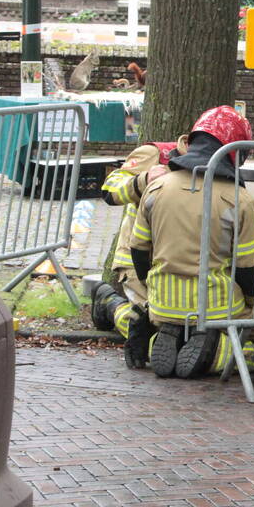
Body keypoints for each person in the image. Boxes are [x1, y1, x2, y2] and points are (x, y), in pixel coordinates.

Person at [129, 106, 254, 379]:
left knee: (169, 314)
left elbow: (138, 250)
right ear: (234, 150)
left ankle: (166, 335)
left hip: (162, 302)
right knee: (250, 336)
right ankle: (216, 347)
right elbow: (248, 269)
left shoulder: (156, 188)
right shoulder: (240, 200)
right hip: (215, 305)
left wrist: (150, 289)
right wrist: (252, 302)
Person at [90, 137, 187, 369]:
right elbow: (110, 189)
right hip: (135, 260)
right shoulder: (155, 154)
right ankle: (111, 305)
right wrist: (144, 180)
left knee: (173, 327)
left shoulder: (214, 163)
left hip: (171, 261)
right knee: (149, 324)